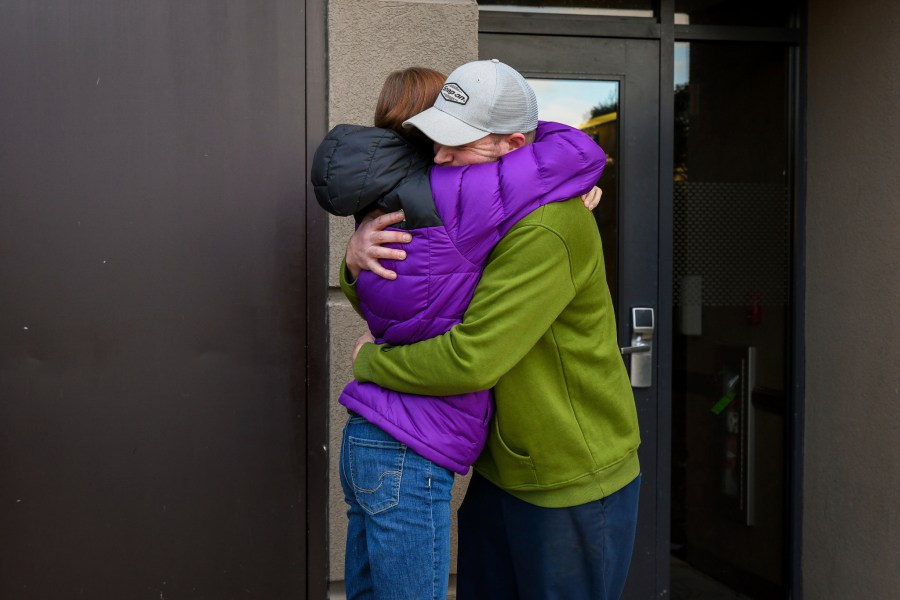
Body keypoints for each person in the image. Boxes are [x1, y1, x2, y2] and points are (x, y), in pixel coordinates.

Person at [347, 59, 642, 600]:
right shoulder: (483, 207)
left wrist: (371, 362)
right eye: (437, 139)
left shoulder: (548, 224)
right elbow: (420, 293)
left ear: (511, 145)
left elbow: (472, 358)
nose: (439, 157)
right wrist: (356, 261)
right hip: (500, 469)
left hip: (568, 478)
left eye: (458, 142)